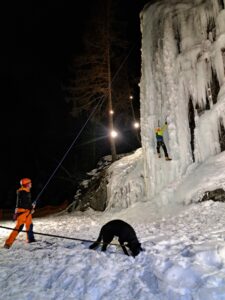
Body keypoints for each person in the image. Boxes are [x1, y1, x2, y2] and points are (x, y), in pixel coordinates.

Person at [4, 178, 36, 249]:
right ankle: (8, 243)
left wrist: (31, 206)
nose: (31, 184)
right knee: (19, 227)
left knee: (29, 225)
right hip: (22, 212)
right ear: (27, 185)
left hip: (26, 211)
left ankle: (30, 239)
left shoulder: (26, 191)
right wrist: (31, 208)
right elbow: (23, 204)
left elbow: (26, 202)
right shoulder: (23, 192)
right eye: (30, 183)